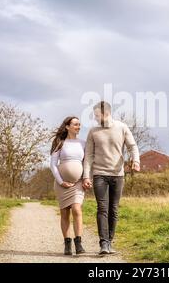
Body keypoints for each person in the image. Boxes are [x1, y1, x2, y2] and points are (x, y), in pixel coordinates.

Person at [83, 101, 140, 255]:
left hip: (117, 174)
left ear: (106, 113)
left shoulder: (122, 127)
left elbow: (132, 146)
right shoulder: (93, 131)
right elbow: (88, 155)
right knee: (102, 207)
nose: (95, 118)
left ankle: (109, 241)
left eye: (97, 115)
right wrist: (85, 176)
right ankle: (103, 243)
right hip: (99, 174)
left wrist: (136, 160)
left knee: (113, 209)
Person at [50, 116, 87, 256]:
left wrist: (85, 178)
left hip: (77, 183)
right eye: (75, 124)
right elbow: (53, 165)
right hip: (61, 184)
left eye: (79, 124)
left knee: (77, 210)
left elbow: (86, 163)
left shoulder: (83, 143)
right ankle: (67, 243)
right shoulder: (59, 142)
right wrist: (61, 181)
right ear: (67, 126)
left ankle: (79, 243)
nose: (78, 126)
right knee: (65, 212)